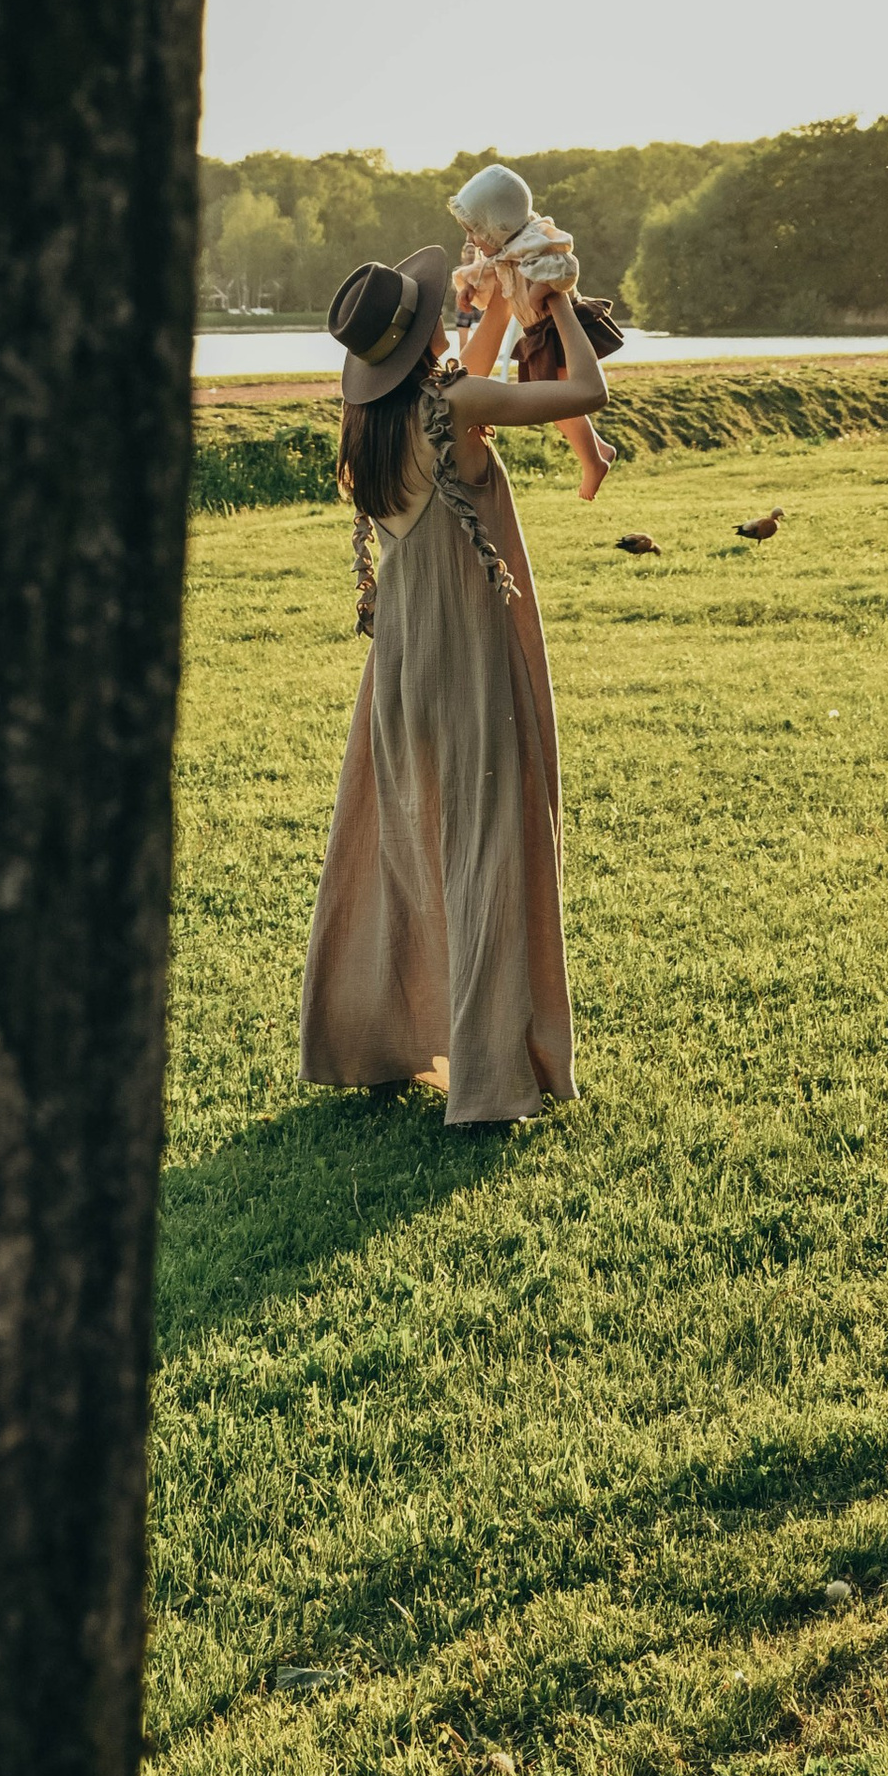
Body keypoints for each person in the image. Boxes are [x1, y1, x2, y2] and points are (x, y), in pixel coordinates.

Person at [298, 244, 609, 1126]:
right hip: (468, 662)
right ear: (425, 330)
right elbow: (587, 395)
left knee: (401, 848)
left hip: (398, 670)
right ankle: (488, 1082)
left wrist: (508, 300)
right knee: (487, 849)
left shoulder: (379, 425)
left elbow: (467, 374)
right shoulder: (457, 407)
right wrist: (562, 308)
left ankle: (379, 1039)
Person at [448, 159, 620, 502]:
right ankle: (598, 448)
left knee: (563, 401)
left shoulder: (535, 241)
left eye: (476, 231)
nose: (471, 239)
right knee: (557, 406)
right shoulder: (506, 250)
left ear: (499, 225)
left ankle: (593, 462)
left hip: (559, 332)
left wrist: (542, 289)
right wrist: (470, 286)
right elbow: (489, 273)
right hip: (540, 331)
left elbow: (565, 265)